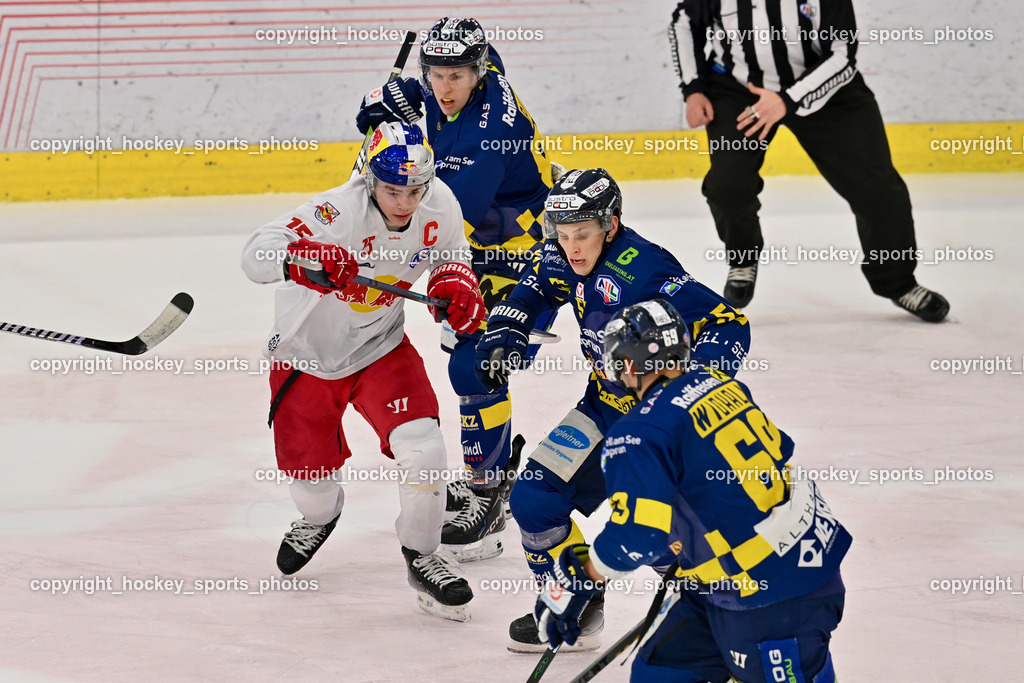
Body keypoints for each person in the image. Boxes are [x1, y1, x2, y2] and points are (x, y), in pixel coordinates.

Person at [473, 168, 752, 651]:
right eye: (561, 236)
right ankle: (574, 604)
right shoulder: (561, 253)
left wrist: (687, 393)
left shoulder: (645, 268)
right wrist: (508, 325)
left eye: (582, 234)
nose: (571, 247)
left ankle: (711, 615)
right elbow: (533, 288)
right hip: (603, 406)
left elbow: (728, 324)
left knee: (659, 533)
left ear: (611, 224)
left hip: (659, 425)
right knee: (534, 498)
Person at [239, 122, 487, 621]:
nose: (405, 201)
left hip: (381, 347)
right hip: (306, 358)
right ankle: (321, 517)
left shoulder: (440, 202)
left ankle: (423, 555)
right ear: (368, 177)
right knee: (312, 488)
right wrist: (302, 257)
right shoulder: (338, 211)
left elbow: (452, 257)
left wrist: (457, 285)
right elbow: (254, 256)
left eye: (414, 189)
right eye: (393, 189)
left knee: (425, 451)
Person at [535, 299, 850, 682]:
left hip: (771, 601)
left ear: (626, 366)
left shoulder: (638, 433)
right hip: (766, 575)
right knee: (659, 673)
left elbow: (640, 535)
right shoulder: (724, 386)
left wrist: (582, 575)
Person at [356, 16, 558, 562]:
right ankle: (489, 473)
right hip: (482, 241)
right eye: (437, 76)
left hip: (525, 248)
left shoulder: (490, 132)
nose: (446, 89)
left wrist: (392, 141)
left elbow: (440, 211)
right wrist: (386, 111)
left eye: (458, 76)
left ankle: (490, 493)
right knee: (467, 360)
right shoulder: (454, 89)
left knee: (478, 362)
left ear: (480, 70)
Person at [669, 0, 949, 322]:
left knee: (878, 190)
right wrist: (693, 88)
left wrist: (787, 101)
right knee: (728, 184)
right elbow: (685, 21)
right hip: (738, 89)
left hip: (826, 89)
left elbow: (842, 54)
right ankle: (743, 258)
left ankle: (898, 282)